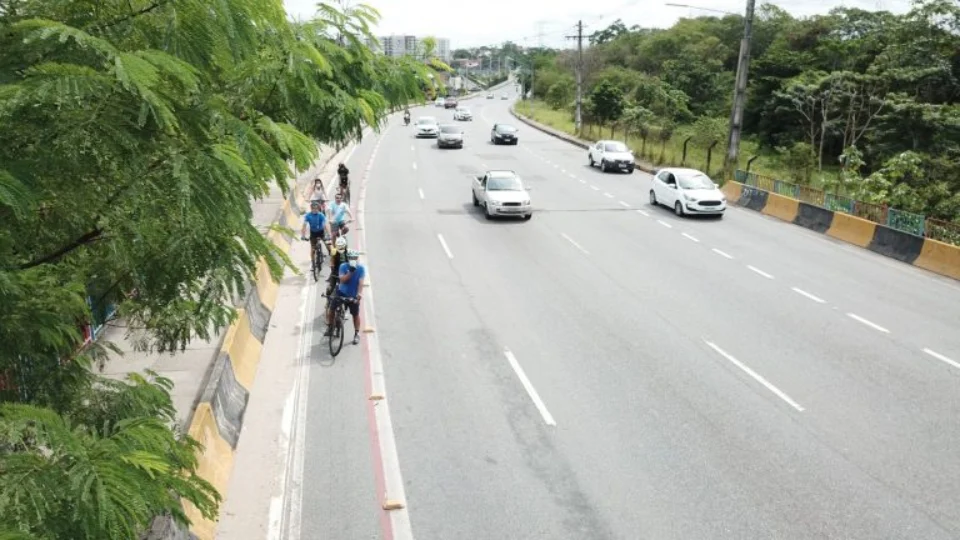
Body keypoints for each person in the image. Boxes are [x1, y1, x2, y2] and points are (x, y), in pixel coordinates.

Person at [326, 249, 364, 344]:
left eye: (354, 258)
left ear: (357, 258)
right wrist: (350, 272)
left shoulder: (361, 268)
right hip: (341, 292)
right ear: (348, 258)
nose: (352, 259)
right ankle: (330, 327)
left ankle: (356, 334)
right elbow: (342, 280)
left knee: (355, 315)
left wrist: (359, 294)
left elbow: (360, 282)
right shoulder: (343, 266)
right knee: (331, 309)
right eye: (351, 257)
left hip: (353, 295)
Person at [300, 201, 331, 268]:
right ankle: (313, 262)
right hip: (313, 233)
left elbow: (325, 225)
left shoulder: (321, 215)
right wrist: (303, 235)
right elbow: (304, 226)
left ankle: (331, 257)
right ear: (311, 209)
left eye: (316, 208)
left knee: (327, 245)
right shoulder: (308, 215)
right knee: (313, 249)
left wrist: (329, 234)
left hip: (321, 232)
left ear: (318, 209)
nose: (315, 210)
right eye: (313, 208)